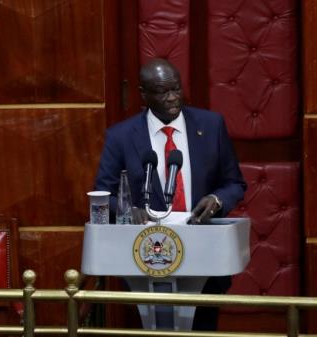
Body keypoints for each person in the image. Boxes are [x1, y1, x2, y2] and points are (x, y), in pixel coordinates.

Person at [94, 58, 246, 330]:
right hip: (143, 259)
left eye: (176, 89)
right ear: (144, 94)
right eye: (163, 92)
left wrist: (217, 200)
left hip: (204, 254)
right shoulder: (121, 136)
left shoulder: (211, 126)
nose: (173, 97)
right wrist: (128, 210)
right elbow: (103, 194)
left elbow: (234, 184)